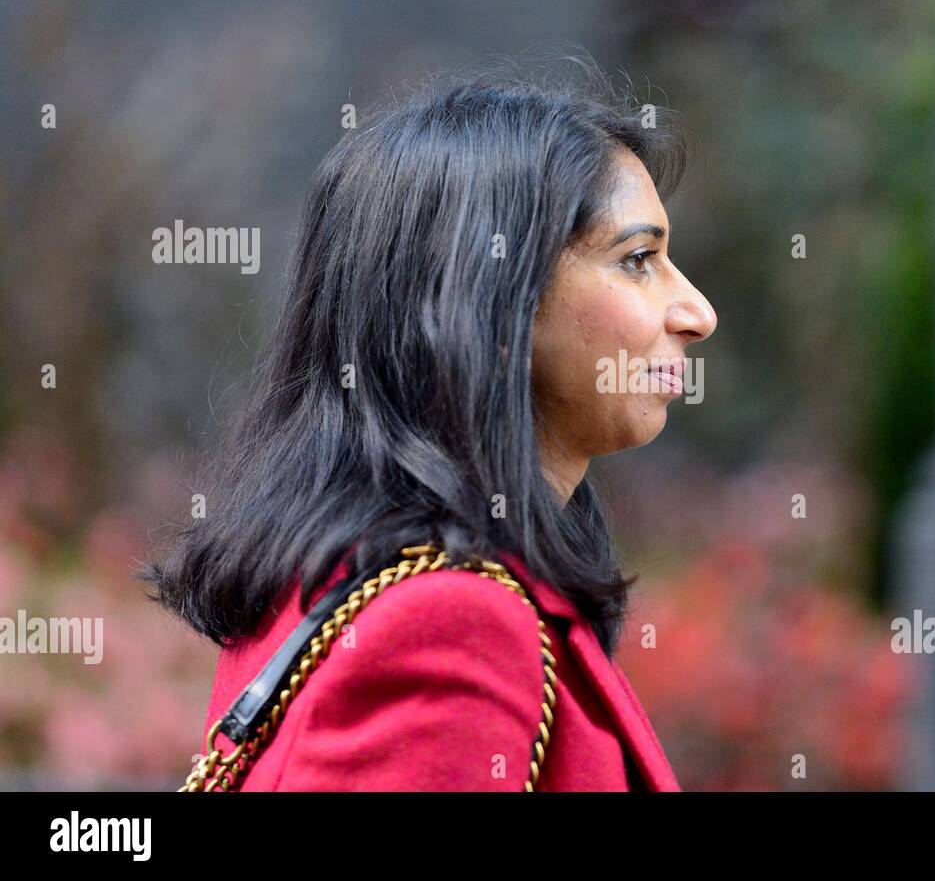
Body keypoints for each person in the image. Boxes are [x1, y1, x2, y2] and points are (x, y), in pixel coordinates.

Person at [144, 52, 717, 791]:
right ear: (489, 297)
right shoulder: (448, 622)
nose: (696, 313)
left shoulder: (342, 570)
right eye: (637, 259)